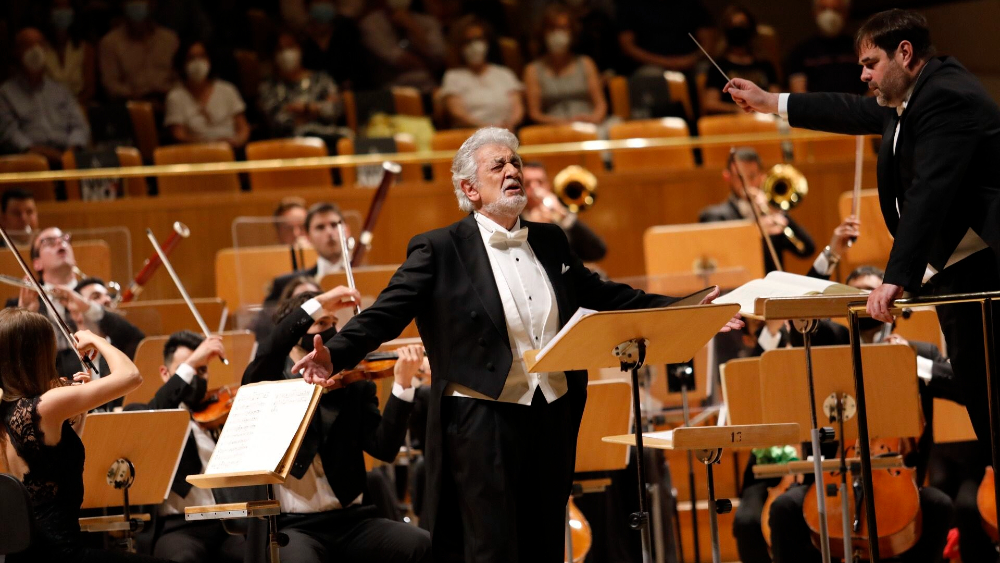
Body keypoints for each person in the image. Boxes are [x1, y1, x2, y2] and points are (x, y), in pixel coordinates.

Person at [290, 127, 743, 562]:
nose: (512, 170)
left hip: (552, 412)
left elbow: (607, 295)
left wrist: (686, 308)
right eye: (498, 165)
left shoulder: (549, 240)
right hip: (481, 419)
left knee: (545, 538)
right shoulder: (439, 248)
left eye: (515, 162)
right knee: (493, 547)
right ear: (470, 189)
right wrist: (338, 352)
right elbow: (386, 313)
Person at [725, 9, 1000, 467]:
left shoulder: (947, 95)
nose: (863, 74)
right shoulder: (910, 96)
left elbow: (929, 193)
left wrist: (896, 277)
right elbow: (847, 109)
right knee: (988, 415)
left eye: (871, 62)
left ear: (905, 53)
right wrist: (770, 101)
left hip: (985, 274)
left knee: (994, 408)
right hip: (959, 278)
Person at [764, 265, 956, 563]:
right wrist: (829, 256)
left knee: (938, 505)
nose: (866, 299)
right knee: (784, 509)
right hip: (831, 477)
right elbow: (799, 303)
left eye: (872, 290)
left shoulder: (920, 352)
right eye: (856, 293)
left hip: (897, 479)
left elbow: (961, 386)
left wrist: (910, 362)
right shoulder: (829, 342)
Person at [241, 286, 431, 563]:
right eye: (321, 323)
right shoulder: (268, 381)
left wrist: (402, 387)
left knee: (420, 544)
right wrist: (317, 304)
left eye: (333, 323)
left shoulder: (351, 383)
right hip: (294, 526)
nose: (330, 330)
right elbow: (271, 348)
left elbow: (384, 448)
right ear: (295, 331)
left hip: (352, 521)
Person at [0, 309, 164, 562]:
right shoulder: (45, 405)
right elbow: (131, 376)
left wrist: (81, 407)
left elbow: (52, 461)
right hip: (62, 553)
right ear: (38, 355)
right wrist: (95, 338)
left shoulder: (10, 409)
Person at [122, 331, 243, 563]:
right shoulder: (146, 413)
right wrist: (192, 363)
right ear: (165, 373)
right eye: (189, 370)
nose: (197, 377)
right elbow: (155, 413)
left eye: (202, 370)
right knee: (182, 558)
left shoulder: (218, 413)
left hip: (228, 523)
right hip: (178, 527)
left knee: (257, 553)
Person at [7, 228, 146, 379]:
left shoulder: (98, 297)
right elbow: (11, 361)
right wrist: (25, 317)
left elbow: (134, 341)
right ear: (37, 263)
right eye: (49, 242)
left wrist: (88, 307)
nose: (60, 242)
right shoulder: (21, 305)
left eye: (64, 239)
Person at [698, 147, 815, 272]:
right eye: (740, 177)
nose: (747, 183)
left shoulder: (770, 215)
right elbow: (717, 257)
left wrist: (776, 212)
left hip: (771, 288)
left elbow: (806, 249)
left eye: (752, 176)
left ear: (761, 177)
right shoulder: (714, 215)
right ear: (727, 177)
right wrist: (754, 231)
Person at [0, 28, 90, 165]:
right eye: (28, 45)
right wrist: (48, 155)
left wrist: (71, 152)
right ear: (17, 51)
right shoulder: (5, 93)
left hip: (68, 156)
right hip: (30, 160)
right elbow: (11, 135)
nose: (35, 50)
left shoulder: (60, 90)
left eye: (39, 44)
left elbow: (80, 126)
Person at [523, 5, 606, 128]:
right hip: (554, 128)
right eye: (553, 29)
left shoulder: (586, 63)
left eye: (563, 28)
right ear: (543, 32)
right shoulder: (532, 70)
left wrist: (594, 118)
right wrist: (564, 123)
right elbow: (534, 113)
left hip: (589, 123)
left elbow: (600, 105)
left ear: (572, 32)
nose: (558, 34)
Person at [258, 31, 345, 145]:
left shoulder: (322, 79)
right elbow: (276, 121)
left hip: (328, 142)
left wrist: (305, 108)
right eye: (280, 49)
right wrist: (317, 110)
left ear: (300, 48)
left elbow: (335, 109)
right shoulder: (268, 87)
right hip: (286, 147)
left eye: (290, 47)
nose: (286, 53)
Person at [439, 15, 523, 130]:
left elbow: (518, 107)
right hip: (471, 136)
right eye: (468, 41)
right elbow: (457, 113)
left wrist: (510, 123)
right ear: (460, 46)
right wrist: (486, 128)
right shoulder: (453, 76)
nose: (475, 46)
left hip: (506, 132)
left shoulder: (504, 73)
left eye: (479, 39)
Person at [164, 40, 249, 149]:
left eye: (202, 56)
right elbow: (178, 135)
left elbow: (243, 128)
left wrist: (236, 142)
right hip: (196, 155)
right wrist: (209, 145)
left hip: (232, 150)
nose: (197, 63)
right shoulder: (175, 97)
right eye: (191, 58)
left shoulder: (227, 89)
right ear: (182, 63)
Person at [264, 202, 350, 302]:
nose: (329, 232)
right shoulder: (285, 284)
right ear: (308, 236)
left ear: (347, 230)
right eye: (320, 227)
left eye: (334, 225)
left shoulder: (367, 276)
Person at [521, 161, 606, 262]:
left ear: (548, 185)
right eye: (527, 183)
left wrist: (564, 216)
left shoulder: (560, 218)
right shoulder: (514, 221)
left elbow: (597, 252)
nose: (535, 188)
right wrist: (534, 229)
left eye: (540, 182)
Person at [702, 5, 779, 115]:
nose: (738, 30)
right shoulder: (718, 66)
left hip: (764, 118)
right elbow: (710, 103)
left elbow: (775, 98)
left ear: (750, 29)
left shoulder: (765, 65)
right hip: (733, 122)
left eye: (742, 25)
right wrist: (737, 109)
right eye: (733, 26)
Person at [98, 0, 179, 102]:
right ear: (123, 5)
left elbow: (179, 77)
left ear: (152, 5)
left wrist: (170, 94)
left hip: (168, 101)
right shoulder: (110, 43)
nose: (137, 5)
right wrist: (136, 96)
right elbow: (110, 84)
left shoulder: (170, 39)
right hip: (129, 104)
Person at [359, 0, 446, 93]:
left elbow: (439, 56)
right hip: (390, 89)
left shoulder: (428, 22)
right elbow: (399, 59)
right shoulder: (371, 23)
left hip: (429, 86)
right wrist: (429, 66)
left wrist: (413, 27)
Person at [786, 0, 868, 95]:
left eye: (836, 9)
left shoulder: (861, 48)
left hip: (857, 107)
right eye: (823, 8)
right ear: (814, 12)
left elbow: (875, 87)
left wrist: (861, 108)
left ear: (846, 12)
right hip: (815, 108)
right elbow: (799, 93)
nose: (830, 15)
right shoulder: (800, 52)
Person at [617, 0, 714, 75]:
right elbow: (627, 46)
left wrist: (692, 59)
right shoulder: (630, 4)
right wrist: (665, 62)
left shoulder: (691, 3)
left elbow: (708, 40)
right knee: (651, 75)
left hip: (691, 62)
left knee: (708, 70)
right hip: (649, 64)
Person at [300, 0, 366, 90]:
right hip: (321, 93)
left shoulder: (346, 28)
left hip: (356, 90)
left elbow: (359, 63)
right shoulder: (306, 41)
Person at [42, 0, 97, 105]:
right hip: (46, 109)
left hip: (78, 107)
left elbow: (90, 90)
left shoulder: (86, 48)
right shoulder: (39, 48)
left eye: (66, 7)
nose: (62, 11)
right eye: (57, 7)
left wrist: (72, 109)